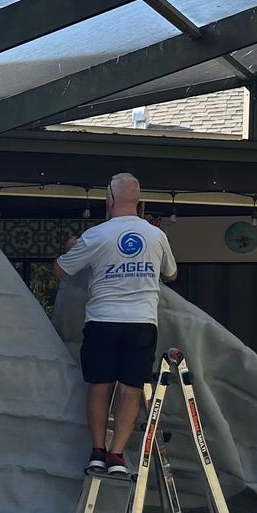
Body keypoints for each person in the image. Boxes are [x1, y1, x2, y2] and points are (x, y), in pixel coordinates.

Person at [54, 173, 176, 476]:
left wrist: (73, 248)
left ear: (109, 200)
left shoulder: (96, 236)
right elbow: (171, 274)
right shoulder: (156, 236)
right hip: (141, 322)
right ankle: (117, 455)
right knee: (131, 388)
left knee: (99, 386)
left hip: (102, 321)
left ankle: (97, 451)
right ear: (140, 202)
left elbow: (59, 272)